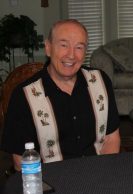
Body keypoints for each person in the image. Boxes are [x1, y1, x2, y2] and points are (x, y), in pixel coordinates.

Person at [1, 19, 121, 171]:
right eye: (63, 45)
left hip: (98, 174)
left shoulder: (101, 82)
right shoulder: (23, 96)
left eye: (79, 47)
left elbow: (111, 138)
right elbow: (21, 161)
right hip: (52, 182)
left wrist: (102, 175)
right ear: (48, 48)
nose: (71, 55)